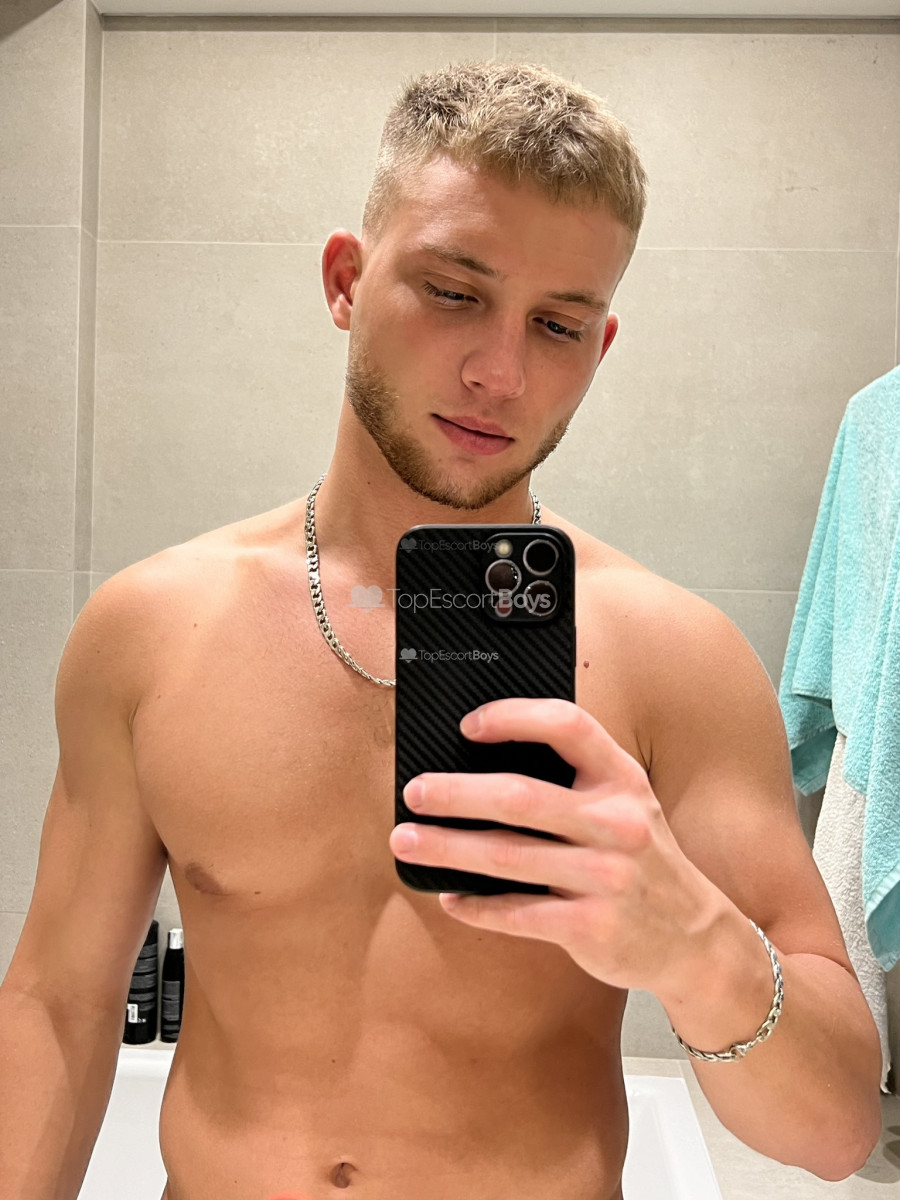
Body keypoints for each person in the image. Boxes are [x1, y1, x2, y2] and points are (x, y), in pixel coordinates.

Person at [0, 59, 883, 1200]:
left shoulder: (675, 659)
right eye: (455, 292)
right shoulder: (151, 633)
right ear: (345, 281)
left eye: (558, 324)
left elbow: (837, 1132)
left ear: (601, 348)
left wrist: (690, 942)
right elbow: (59, 1006)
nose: (500, 372)